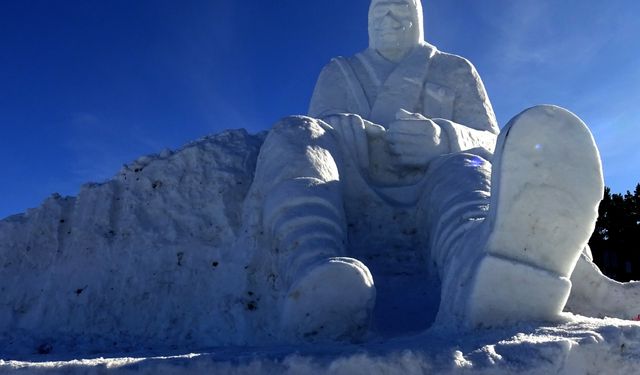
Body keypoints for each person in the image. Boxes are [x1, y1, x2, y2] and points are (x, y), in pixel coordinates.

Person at [244, 0, 625, 342]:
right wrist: (342, 129)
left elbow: (491, 142)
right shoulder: (340, 72)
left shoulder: (453, 69)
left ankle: (488, 271)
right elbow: (316, 135)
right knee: (295, 132)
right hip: (355, 188)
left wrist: (445, 138)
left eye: (401, 11)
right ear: (367, 20)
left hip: (436, 184)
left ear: (419, 16)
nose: (390, 20)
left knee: (469, 169)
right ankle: (314, 269)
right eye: (380, 12)